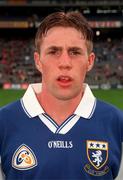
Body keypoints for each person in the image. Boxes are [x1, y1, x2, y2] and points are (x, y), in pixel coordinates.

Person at [0, 11, 123, 180]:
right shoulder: (3, 122)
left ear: (90, 61)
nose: (65, 63)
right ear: (37, 61)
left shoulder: (116, 123)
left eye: (74, 52)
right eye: (53, 51)